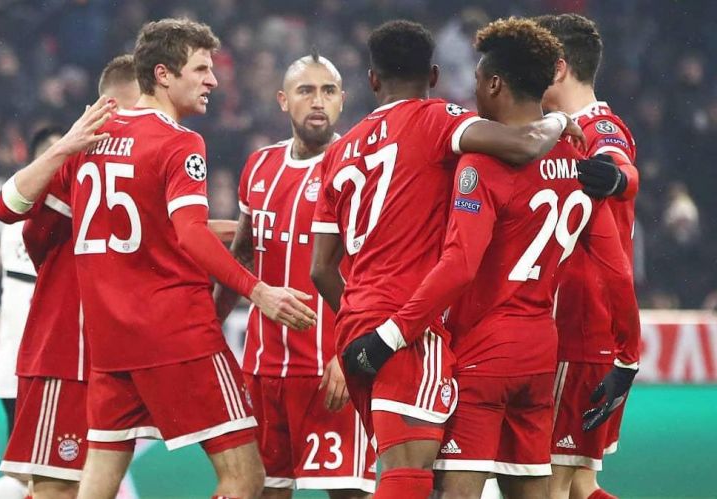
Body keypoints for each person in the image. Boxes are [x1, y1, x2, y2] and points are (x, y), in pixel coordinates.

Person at [0, 18, 316, 499]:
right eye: (201, 69)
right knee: (246, 477)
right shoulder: (180, 142)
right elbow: (189, 234)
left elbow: (9, 211)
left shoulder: (90, 139)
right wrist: (258, 291)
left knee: (95, 484)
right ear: (163, 75)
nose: (213, 80)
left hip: (109, 345)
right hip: (176, 334)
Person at [351, 18, 640, 499]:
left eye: (478, 78)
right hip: (540, 353)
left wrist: (390, 334)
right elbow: (618, 272)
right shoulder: (578, 162)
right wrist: (629, 357)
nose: (473, 90)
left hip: (482, 353)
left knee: (454, 493)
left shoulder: (482, 163)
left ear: (493, 84)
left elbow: (460, 266)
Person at [214, 52, 375, 498]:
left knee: (348, 492)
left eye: (328, 91)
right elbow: (241, 257)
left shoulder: (360, 169)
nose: (318, 101)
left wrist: (349, 354)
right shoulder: (259, 165)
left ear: (342, 100)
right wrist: (209, 331)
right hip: (262, 370)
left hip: (330, 371)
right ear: (283, 100)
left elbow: (375, 271)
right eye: (306, 90)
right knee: (263, 491)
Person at [0, 55, 141, 499]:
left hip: (113, 357)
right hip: (60, 356)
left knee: (98, 486)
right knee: (46, 485)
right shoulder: (68, 179)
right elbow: (8, 209)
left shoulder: (137, 168)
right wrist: (65, 149)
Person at [536, 14, 641, 499]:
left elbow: (619, 167)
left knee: (548, 484)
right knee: (580, 483)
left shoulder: (600, 127)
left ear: (557, 68)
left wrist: (617, 178)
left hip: (578, 330)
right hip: (588, 331)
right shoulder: (560, 131)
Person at [0, 127, 60, 499]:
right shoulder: (26, 218)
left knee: (44, 476)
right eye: (52, 151)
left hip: (38, 364)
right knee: (30, 477)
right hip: (27, 367)